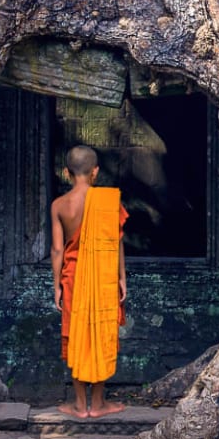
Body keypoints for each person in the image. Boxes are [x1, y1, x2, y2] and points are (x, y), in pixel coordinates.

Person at [51, 145, 129, 417]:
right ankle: (98, 404)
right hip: (104, 276)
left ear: (66, 172)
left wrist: (56, 285)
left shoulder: (60, 205)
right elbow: (116, 242)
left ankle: (79, 404)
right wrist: (122, 277)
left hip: (72, 277)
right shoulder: (108, 202)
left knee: (75, 335)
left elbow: (58, 250)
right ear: (95, 172)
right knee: (101, 332)